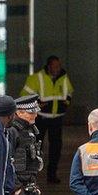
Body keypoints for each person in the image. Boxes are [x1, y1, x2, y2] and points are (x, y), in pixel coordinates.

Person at [23, 55, 73, 183]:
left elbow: (69, 92)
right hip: (40, 118)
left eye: (58, 66)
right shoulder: (37, 78)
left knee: (56, 148)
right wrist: (37, 104)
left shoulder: (63, 77)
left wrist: (66, 103)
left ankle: (52, 175)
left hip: (57, 118)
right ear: (49, 66)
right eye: (54, 66)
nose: (57, 68)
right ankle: (32, 175)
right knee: (35, 147)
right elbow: (24, 95)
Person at [8, 94, 44, 195]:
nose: (35, 115)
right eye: (31, 112)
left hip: (30, 190)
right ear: (19, 113)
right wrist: (16, 188)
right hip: (18, 194)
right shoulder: (12, 132)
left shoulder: (31, 131)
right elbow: (5, 163)